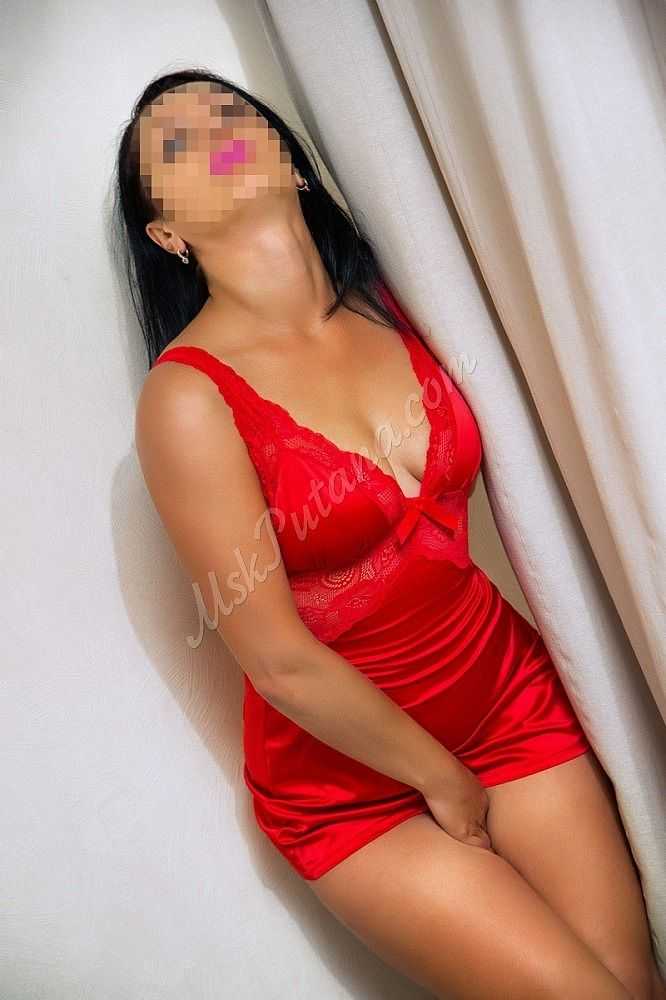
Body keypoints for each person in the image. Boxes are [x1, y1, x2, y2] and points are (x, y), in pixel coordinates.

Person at [115, 68, 665, 998]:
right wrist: (441, 780)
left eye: (230, 110)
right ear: (165, 233)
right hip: (350, 790)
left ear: (291, 161)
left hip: (508, 702)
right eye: (177, 143)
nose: (215, 130)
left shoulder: (399, 297)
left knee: (636, 982)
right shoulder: (186, 397)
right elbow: (277, 661)